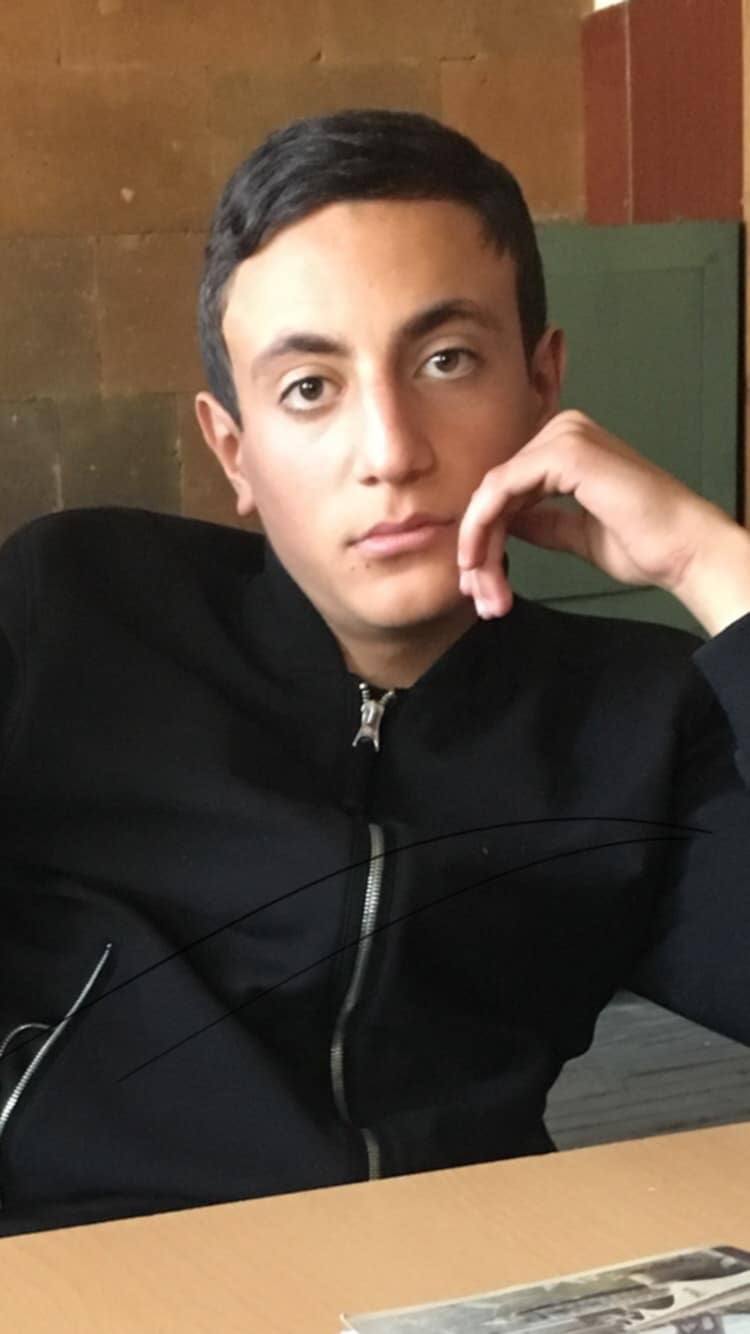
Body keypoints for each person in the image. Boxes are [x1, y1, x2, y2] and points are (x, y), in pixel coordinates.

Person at [0, 109, 749, 1238]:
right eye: (310, 387)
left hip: (450, 1276)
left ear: (541, 385)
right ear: (234, 449)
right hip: (86, 1271)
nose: (392, 451)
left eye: (447, 361)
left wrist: (714, 562)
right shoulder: (77, 610)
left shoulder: (637, 715)